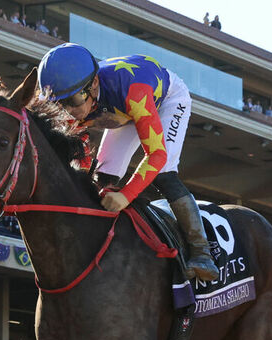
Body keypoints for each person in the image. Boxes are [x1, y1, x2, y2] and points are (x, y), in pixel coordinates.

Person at [36, 43, 220, 281]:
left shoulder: (135, 92)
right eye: (59, 104)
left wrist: (126, 195)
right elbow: (79, 153)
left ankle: (201, 252)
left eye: (73, 100)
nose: (69, 111)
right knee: (100, 178)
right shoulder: (77, 98)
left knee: (163, 174)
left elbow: (156, 155)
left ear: (93, 85)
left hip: (163, 101)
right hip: (119, 111)